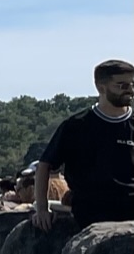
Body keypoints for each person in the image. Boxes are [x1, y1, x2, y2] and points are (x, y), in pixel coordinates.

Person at [33, 58, 134, 231]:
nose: (130, 90)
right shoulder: (77, 126)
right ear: (101, 87)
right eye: (122, 85)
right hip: (92, 211)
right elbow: (44, 165)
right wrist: (42, 209)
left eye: (132, 84)